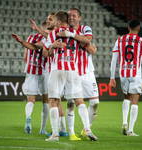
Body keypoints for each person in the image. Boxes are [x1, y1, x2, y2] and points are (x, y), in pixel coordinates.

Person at [42, 10, 97, 141]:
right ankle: (87, 128)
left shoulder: (53, 34)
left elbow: (46, 54)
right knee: (80, 101)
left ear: (59, 22)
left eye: (55, 21)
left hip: (57, 70)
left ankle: (55, 134)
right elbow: (87, 42)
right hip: (73, 70)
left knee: (54, 101)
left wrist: (52, 47)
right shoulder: (76, 34)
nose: (54, 23)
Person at [57, 7, 99, 140]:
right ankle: (72, 133)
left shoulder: (85, 28)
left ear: (79, 18)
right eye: (69, 16)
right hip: (72, 72)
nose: (71, 18)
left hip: (87, 71)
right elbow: (89, 46)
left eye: (74, 16)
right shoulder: (64, 31)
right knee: (70, 104)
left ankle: (86, 129)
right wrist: (88, 45)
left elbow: (88, 40)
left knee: (95, 103)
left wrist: (81, 41)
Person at [109, 19, 142, 136]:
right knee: (134, 102)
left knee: (126, 97)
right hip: (135, 74)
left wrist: (112, 77)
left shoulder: (120, 40)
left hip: (123, 73)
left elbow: (114, 60)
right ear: (138, 29)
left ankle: (124, 122)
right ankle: (130, 130)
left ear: (128, 28)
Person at [23, 21, 49, 135]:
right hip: (44, 71)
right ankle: (42, 129)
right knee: (46, 101)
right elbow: (46, 54)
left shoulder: (30, 37)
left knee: (30, 100)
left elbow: (25, 56)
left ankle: (28, 116)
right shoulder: (47, 39)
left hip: (30, 70)